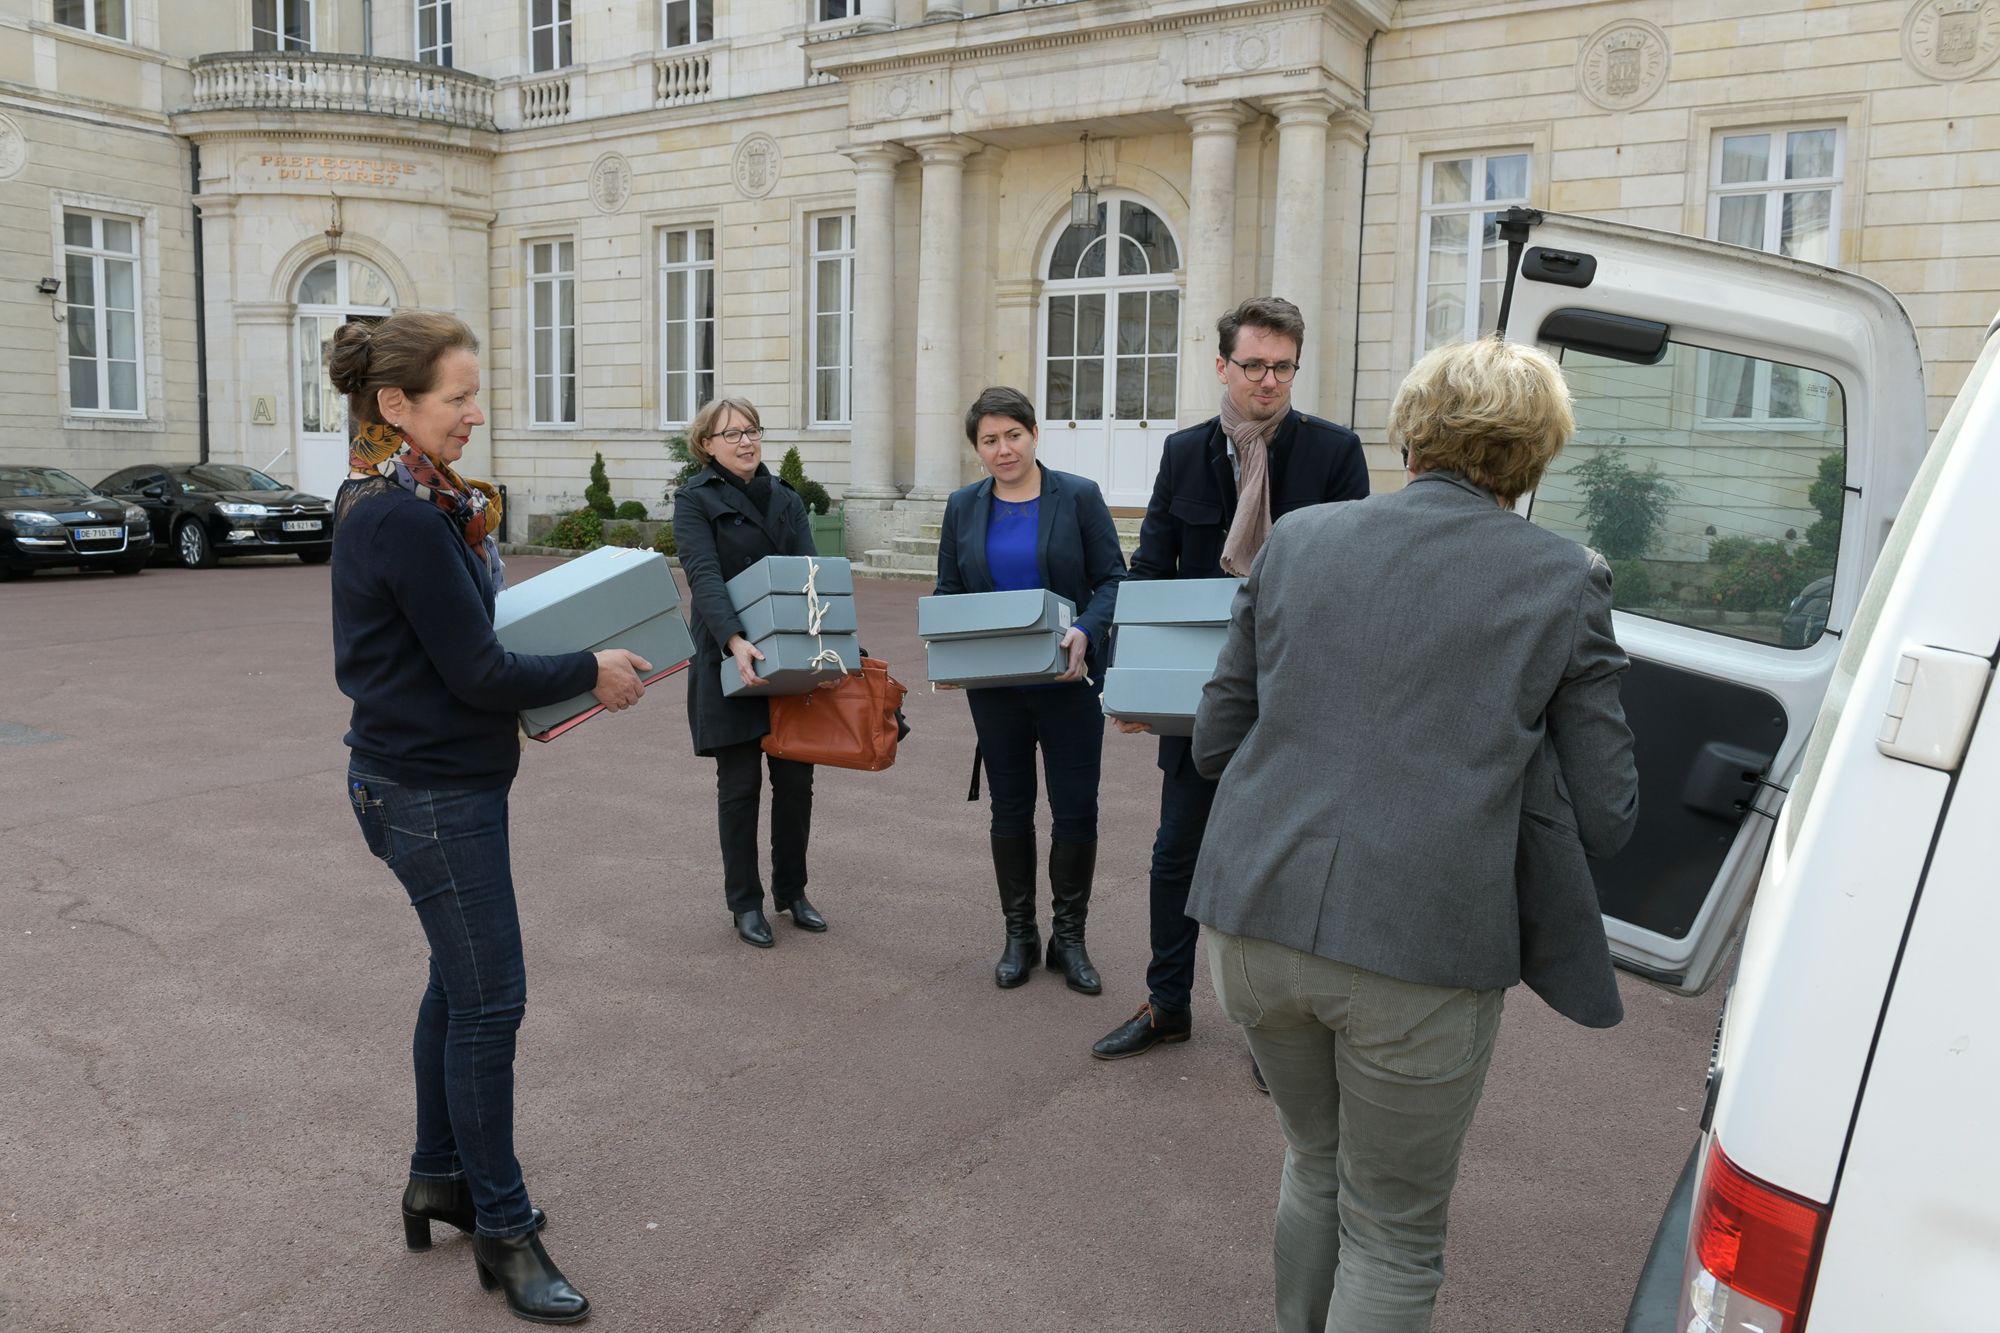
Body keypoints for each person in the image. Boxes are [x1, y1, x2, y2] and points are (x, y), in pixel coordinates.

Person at [1187, 337, 1640, 1333]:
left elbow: (1216, 740)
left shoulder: (1297, 539)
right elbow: (1608, 813)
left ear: (1410, 435)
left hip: (1254, 912)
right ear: (1531, 455)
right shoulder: (1564, 578)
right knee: (1392, 1227)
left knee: (1313, 1162)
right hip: (1421, 941)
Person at [331, 310, 651, 1326]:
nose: (475, 414)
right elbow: (476, 668)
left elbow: (464, 642)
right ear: (396, 406)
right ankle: (504, 1232)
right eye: (456, 398)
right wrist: (588, 673)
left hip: (426, 783)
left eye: (476, 394)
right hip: (428, 794)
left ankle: (440, 1179)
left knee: (454, 984)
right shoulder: (401, 514)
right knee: (489, 1004)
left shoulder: (417, 499)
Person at [1091, 296, 1370, 1073]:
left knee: (1286, 868)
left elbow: (1355, 580)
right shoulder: (1184, 453)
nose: (1269, 380)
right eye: (1254, 365)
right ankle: (1167, 1004)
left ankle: (1276, 1035)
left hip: (1299, 700)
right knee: (1177, 854)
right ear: (1223, 366)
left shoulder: (1335, 453)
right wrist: (1131, 681)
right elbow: (1148, 568)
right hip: (1199, 699)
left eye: (1282, 367)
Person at [934, 386, 1127, 992]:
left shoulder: (1079, 497)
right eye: (989, 440)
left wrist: (1087, 633)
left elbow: (1113, 581)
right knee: (1010, 807)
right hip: (995, 687)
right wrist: (947, 646)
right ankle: (1020, 935)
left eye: (1012, 435)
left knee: (1075, 807)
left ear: (1034, 433)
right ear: (977, 449)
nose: (1003, 449)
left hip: (1069, 682)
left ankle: (1069, 939)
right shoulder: (964, 506)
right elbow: (947, 592)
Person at [672, 396, 830, 950]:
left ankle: (793, 890)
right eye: (731, 433)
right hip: (727, 653)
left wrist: (833, 649)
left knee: (796, 784)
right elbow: (703, 575)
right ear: (707, 445)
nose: (746, 441)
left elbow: (811, 577)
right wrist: (735, 639)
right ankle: (745, 902)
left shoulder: (785, 498)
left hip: (789, 657)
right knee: (738, 787)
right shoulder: (694, 499)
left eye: (753, 430)